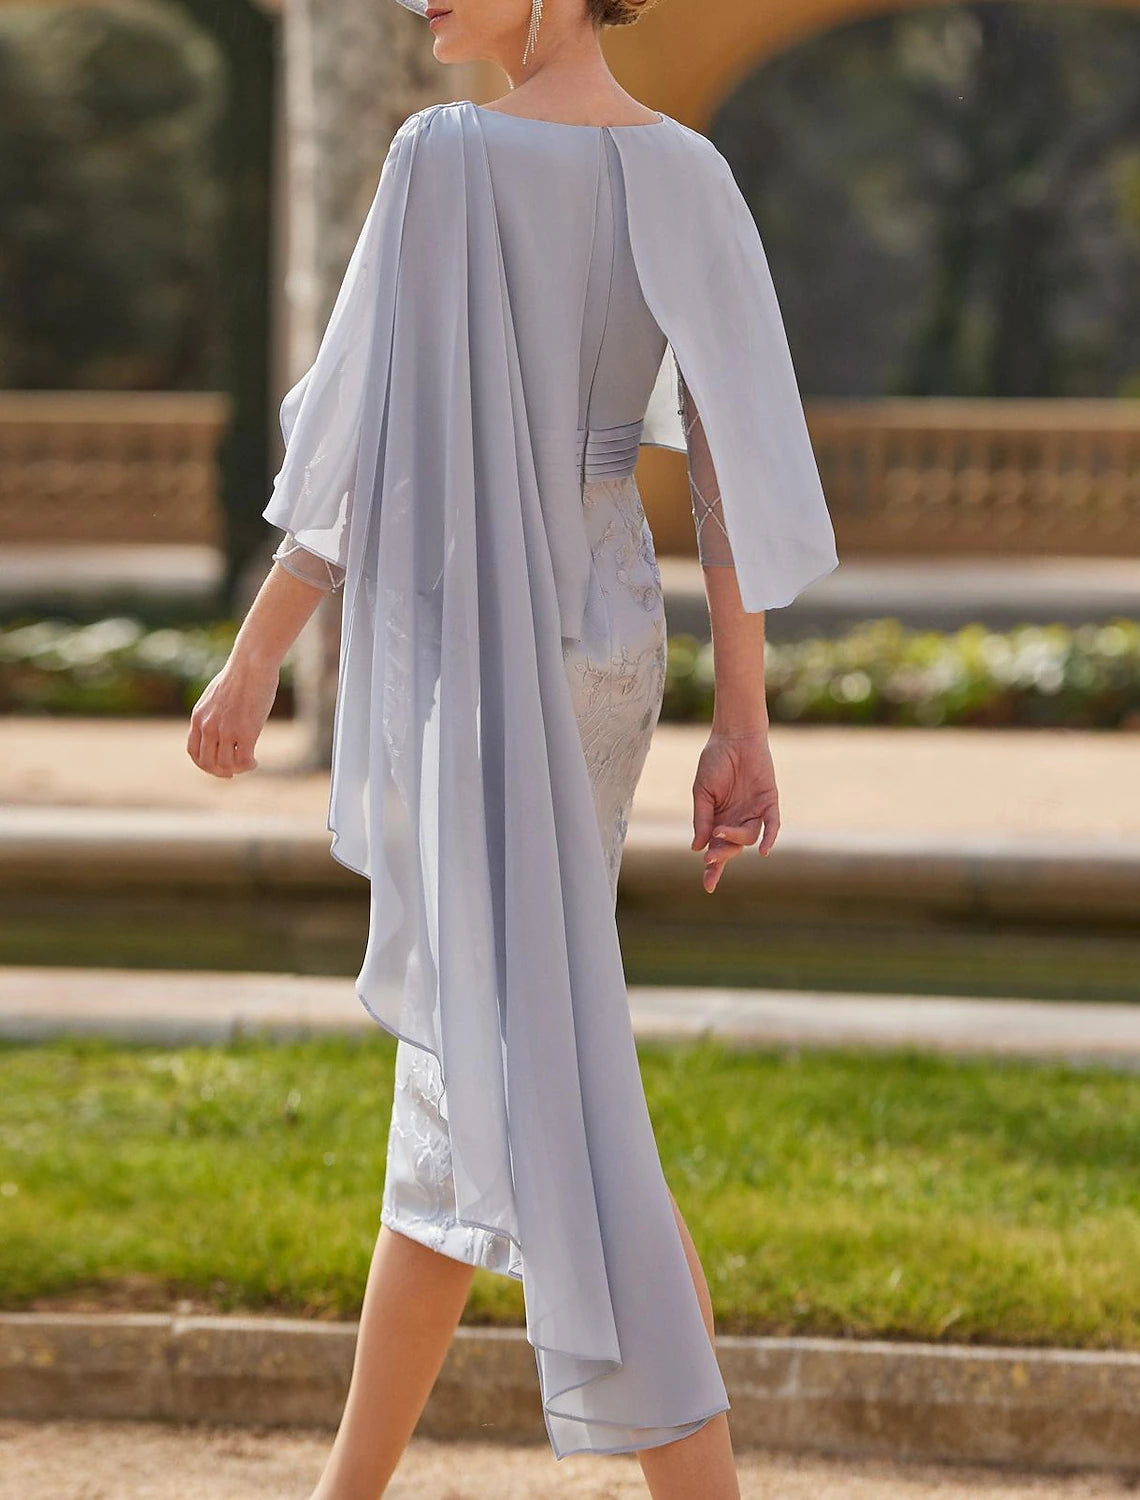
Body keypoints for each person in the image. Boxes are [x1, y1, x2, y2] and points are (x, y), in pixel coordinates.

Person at [187, 0, 838, 1494]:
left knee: (544, 1067)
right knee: (481, 1058)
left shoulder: (443, 155)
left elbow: (354, 444)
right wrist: (741, 722)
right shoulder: (688, 171)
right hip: (610, 636)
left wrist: (257, 654)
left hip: (480, 650)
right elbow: (730, 475)